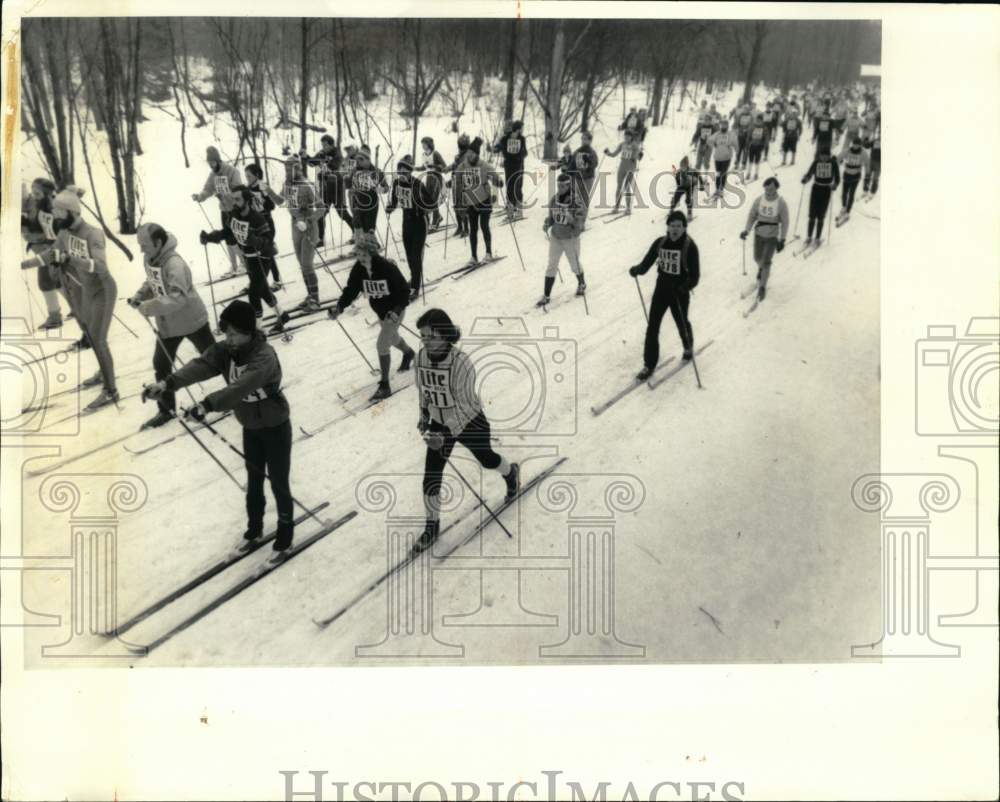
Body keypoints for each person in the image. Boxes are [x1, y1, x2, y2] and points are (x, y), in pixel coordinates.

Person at [143, 300, 295, 562]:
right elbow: (200, 365)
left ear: (249, 331)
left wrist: (207, 404)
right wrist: (167, 384)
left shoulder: (264, 355)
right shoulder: (226, 350)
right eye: (227, 332)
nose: (230, 338)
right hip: (250, 425)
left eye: (236, 333)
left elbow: (241, 387)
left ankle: (285, 538)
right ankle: (254, 531)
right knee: (254, 481)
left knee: (279, 482)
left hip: (275, 425)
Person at [411, 307, 520, 553]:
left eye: (431, 336)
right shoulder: (420, 359)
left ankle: (511, 473)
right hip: (440, 425)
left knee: (487, 459)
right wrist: (424, 416)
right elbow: (423, 392)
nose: (426, 342)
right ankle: (431, 526)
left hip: (470, 421)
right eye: (423, 336)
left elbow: (466, 405)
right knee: (431, 475)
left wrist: (444, 435)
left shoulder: (461, 363)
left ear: (446, 334)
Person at [129, 223, 216, 429]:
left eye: (145, 245)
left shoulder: (175, 264)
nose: (141, 249)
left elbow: (178, 298)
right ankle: (166, 410)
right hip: (168, 324)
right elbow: (153, 281)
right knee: (161, 364)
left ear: (158, 243)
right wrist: (140, 296)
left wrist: (148, 307)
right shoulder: (151, 257)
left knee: (215, 359)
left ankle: (241, 390)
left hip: (192, 320)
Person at [327, 231, 416, 401]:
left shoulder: (387, 267)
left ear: (372, 252)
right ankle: (409, 353)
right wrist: (339, 307)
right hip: (381, 312)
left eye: (363, 254)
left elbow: (404, 291)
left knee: (382, 344)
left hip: (395, 311)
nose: (360, 258)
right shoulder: (359, 269)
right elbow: (351, 290)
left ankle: (384, 385)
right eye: (358, 254)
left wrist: (396, 311)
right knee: (391, 337)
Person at [200, 187, 288, 332]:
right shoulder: (235, 214)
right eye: (233, 199)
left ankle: (257, 330)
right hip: (249, 258)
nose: (234, 202)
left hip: (263, 257)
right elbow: (227, 232)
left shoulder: (257, 218)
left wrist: (256, 240)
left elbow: (268, 238)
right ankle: (282, 315)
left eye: (238, 199)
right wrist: (209, 237)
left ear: (247, 201)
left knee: (254, 293)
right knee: (263, 290)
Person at [628, 210, 700, 379]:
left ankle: (688, 347)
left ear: (684, 228)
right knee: (652, 326)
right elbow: (647, 263)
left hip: (679, 292)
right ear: (667, 226)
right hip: (662, 289)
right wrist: (637, 270)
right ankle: (649, 364)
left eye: (678, 226)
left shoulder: (690, 246)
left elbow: (695, 277)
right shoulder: (660, 243)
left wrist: (683, 288)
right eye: (672, 225)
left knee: (681, 323)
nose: (675, 229)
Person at [262, 155, 325, 310]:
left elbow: (322, 208)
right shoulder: (287, 184)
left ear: (298, 168)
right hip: (295, 225)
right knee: (302, 265)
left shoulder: (307, 185)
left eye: (291, 168)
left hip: (308, 226)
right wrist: (268, 190)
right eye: (286, 168)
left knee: (307, 265)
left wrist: (309, 221)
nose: (288, 171)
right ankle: (310, 296)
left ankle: (315, 300)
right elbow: (280, 201)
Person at [21, 177, 70, 330]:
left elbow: (52, 235)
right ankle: (76, 306)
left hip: (50, 249)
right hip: (43, 249)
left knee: (46, 283)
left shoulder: (51, 209)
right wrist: (25, 223)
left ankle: (55, 317)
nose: (34, 196)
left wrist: (28, 231)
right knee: (56, 281)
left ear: (46, 194)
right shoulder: (36, 204)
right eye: (33, 192)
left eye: (37, 193)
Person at [386, 154, 435, 301]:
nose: (402, 175)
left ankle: (415, 287)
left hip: (420, 222)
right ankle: (413, 280)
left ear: (410, 172)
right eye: (399, 172)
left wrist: (426, 208)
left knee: (416, 256)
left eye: (405, 172)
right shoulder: (396, 184)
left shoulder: (417, 184)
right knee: (409, 256)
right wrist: (390, 207)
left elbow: (431, 203)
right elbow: (394, 201)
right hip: (406, 222)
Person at [192, 145, 244, 275]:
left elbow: (239, 189)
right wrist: (200, 196)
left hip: (235, 209)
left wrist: (226, 194)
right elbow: (208, 188)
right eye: (209, 163)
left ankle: (243, 263)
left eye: (213, 162)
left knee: (235, 237)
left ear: (218, 160)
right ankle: (233, 265)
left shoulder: (231, 171)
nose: (211, 165)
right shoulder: (213, 175)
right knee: (227, 238)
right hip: (224, 210)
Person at [538, 171, 587, 307]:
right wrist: (547, 223)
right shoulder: (554, 199)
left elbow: (581, 222)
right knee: (551, 265)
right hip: (556, 237)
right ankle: (546, 295)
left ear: (568, 186)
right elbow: (552, 217)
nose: (560, 189)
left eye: (563, 186)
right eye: (558, 186)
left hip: (570, 238)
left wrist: (573, 221)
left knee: (574, 265)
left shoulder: (576, 201)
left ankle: (582, 283)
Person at [739, 177, 790, 301]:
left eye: (771, 189)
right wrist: (746, 230)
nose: (768, 192)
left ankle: (762, 287)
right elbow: (752, 215)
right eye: (766, 189)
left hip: (772, 237)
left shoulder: (781, 203)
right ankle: (762, 269)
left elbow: (785, 222)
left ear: (776, 188)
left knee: (766, 261)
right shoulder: (759, 200)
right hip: (759, 234)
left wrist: (782, 239)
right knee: (757, 258)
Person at [453, 141, 503, 268]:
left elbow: (495, 177)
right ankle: (473, 256)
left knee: (484, 225)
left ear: (477, 154)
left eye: (472, 153)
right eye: (468, 153)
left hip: (484, 200)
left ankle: (488, 253)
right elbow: (457, 177)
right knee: (473, 229)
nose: (469, 155)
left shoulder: (484, 165)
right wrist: (453, 182)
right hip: (471, 201)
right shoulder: (463, 166)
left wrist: (498, 181)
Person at [307, 134, 354, 246]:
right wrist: (305, 157)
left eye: (325, 145)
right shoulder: (322, 153)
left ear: (331, 145)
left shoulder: (337, 154)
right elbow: (311, 163)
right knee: (321, 212)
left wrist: (324, 165)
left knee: (342, 212)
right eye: (322, 145)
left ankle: (356, 231)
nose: (323, 147)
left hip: (337, 187)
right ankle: (320, 238)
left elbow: (334, 166)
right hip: (326, 188)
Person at [243, 163, 283, 291]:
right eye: (246, 176)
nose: (247, 178)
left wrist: (263, 203)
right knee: (257, 252)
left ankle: (277, 280)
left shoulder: (263, 186)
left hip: (266, 222)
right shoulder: (247, 188)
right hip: (255, 224)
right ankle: (258, 281)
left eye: (249, 176)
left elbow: (272, 205)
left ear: (256, 175)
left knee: (267, 251)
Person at [801, 147, 840, 248]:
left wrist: (834, 185)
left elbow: (838, 178)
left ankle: (817, 238)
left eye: (826, 156)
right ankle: (809, 237)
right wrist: (806, 178)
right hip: (816, 189)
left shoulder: (833, 163)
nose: (823, 158)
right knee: (812, 214)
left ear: (829, 155)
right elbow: (810, 173)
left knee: (821, 215)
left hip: (826, 190)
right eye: (822, 155)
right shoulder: (816, 162)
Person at [347, 145, 388, 239]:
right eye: (357, 160)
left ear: (368, 159)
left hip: (371, 204)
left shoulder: (376, 172)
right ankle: (359, 248)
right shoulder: (354, 170)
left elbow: (386, 187)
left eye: (361, 159)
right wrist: (346, 179)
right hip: (357, 202)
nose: (358, 162)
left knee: (368, 229)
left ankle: (371, 247)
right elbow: (347, 184)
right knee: (357, 225)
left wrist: (381, 189)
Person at [604, 129, 643, 215]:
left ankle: (628, 208)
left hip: (630, 168)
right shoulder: (622, 144)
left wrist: (639, 156)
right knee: (619, 186)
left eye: (628, 136)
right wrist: (608, 153)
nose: (626, 138)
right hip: (622, 166)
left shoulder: (634, 145)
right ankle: (616, 207)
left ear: (631, 137)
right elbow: (614, 154)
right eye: (625, 136)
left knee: (627, 187)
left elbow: (638, 156)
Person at [415, 136, 447, 229]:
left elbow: (444, 166)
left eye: (425, 144)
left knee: (433, 199)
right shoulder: (423, 155)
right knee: (428, 199)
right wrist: (414, 168)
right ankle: (438, 216)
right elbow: (424, 167)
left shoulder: (435, 154)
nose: (423, 146)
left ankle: (436, 219)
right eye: (422, 145)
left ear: (429, 144)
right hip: (429, 178)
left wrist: (434, 165)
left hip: (437, 177)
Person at [445, 133, 472, 237]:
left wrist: (451, 181)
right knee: (457, 205)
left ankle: (466, 228)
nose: (460, 146)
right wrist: (447, 169)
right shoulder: (459, 155)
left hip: (464, 183)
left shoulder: (468, 156)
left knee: (463, 206)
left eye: (462, 144)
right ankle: (460, 227)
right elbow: (455, 165)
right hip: (457, 183)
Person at [836, 138, 869, 223]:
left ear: (860, 145)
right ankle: (844, 207)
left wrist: (867, 174)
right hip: (847, 174)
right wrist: (836, 162)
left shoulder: (863, 153)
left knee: (851, 194)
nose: (855, 146)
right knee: (844, 193)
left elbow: (867, 163)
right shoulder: (848, 150)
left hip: (856, 176)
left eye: (857, 144)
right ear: (852, 144)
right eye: (854, 144)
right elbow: (839, 157)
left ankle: (848, 211)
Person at [570, 131, 599, 220]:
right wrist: (569, 172)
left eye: (585, 139)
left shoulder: (592, 152)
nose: (583, 141)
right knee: (576, 197)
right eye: (582, 139)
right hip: (578, 178)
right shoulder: (577, 151)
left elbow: (595, 163)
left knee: (584, 197)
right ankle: (576, 215)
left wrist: (589, 165)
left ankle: (583, 218)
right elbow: (572, 163)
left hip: (588, 178)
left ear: (590, 141)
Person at [709, 119, 739, 197]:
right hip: (717, 157)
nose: (723, 126)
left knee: (723, 173)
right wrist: (714, 145)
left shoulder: (731, 134)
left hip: (726, 157)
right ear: (720, 126)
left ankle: (721, 189)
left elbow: (735, 143)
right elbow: (709, 140)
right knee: (718, 174)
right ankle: (717, 189)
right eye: (722, 125)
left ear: (727, 126)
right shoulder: (717, 134)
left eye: (725, 125)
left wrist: (737, 151)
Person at [669, 156, 704, 220]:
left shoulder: (692, 170)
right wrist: (678, 184)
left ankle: (689, 213)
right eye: (681, 166)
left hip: (690, 186)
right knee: (676, 197)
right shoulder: (679, 171)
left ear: (687, 166)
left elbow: (699, 176)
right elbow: (677, 178)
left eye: (684, 166)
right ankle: (671, 210)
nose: (682, 168)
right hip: (682, 186)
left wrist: (702, 185)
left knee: (688, 200)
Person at [746, 113, 768, 181]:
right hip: (752, 145)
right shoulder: (753, 127)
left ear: (762, 121)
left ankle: (756, 173)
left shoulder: (764, 128)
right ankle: (749, 173)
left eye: (760, 120)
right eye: (757, 120)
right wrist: (747, 145)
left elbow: (766, 138)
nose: (758, 122)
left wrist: (764, 146)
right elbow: (749, 136)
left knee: (757, 160)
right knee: (750, 160)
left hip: (759, 146)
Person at [862, 131, 881, 199]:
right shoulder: (875, 141)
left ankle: (872, 192)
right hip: (871, 161)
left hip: (879, 163)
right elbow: (867, 145)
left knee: (875, 179)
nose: (880, 135)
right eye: (879, 133)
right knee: (867, 175)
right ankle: (865, 190)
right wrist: (866, 139)